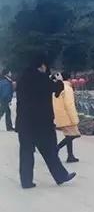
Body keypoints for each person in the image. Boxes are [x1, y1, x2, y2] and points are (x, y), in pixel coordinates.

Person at [15, 53, 76, 189]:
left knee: (26, 152)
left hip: (24, 122)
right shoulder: (41, 78)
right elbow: (56, 89)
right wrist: (59, 80)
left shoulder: (22, 78)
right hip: (41, 123)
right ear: (42, 65)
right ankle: (61, 176)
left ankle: (26, 181)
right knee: (49, 152)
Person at [53, 71, 81, 163]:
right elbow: (69, 104)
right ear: (69, 79)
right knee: (74, 135)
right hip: (67, 116)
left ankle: (70, 155)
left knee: (69, 135)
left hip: (60, 115)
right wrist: (74, 118)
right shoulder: (67, 88)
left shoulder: (58, 86)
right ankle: (56, 149)